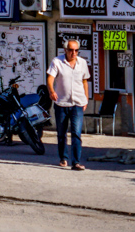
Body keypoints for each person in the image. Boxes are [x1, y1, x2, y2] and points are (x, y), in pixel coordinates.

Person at [47, 39, 90, 171]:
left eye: (76, 50)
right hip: (62, 103)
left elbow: (84, 81)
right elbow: (50, 78)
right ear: (65, 50)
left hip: (77, 103)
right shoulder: (57, 62)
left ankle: (76, 162)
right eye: (71, 50)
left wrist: (86, 98)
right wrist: (52, 91)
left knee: (76, 133)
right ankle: (63, 158)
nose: (73, 53)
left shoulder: (82, 63)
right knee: (62, 133)